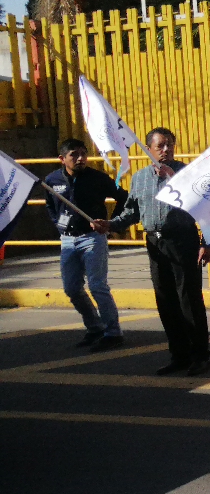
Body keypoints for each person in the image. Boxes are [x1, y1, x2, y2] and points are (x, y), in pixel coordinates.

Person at [96, 128, 210, 374]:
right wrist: (110, 224)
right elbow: (132, 212)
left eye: (169, 145)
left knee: (188, 299)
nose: (166, 150)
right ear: (149, 149)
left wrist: (206, 242)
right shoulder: (140, 178)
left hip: (182, 240)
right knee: (165, 300)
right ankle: (178, 354)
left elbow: (202, 205)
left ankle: (199, 354)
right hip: (155, 243)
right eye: (160, 146)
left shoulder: (187, 173)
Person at [48, 138, 128, 352]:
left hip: (92, 239)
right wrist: (58, 224)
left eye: (83, 153)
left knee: (97, 285)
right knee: (72, 288)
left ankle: (113, 332)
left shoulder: (98, 179)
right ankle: (94, 327)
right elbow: (50, 205)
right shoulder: (52, 180)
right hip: (67, 240)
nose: (81, 158)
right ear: (62, 159)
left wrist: (112, 223)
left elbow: (123, 197)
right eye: (74, 154)